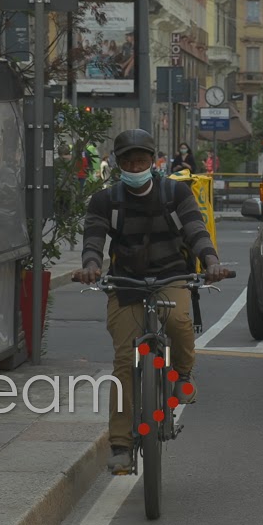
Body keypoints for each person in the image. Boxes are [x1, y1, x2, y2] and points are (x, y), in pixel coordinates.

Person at [72, 129, 232, 474]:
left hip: (172, 275)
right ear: (118, 163)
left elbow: (196, 230)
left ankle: (184, 375)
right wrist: (90, 266)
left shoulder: (175, 193)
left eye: (141, 159)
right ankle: (120, 445)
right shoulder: (105, 200)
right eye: (127, 160)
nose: (134, 165)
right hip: (125, 280)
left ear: (152, 160)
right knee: (124, 362)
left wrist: (212, 262)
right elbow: (93, 238)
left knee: (178, 323)